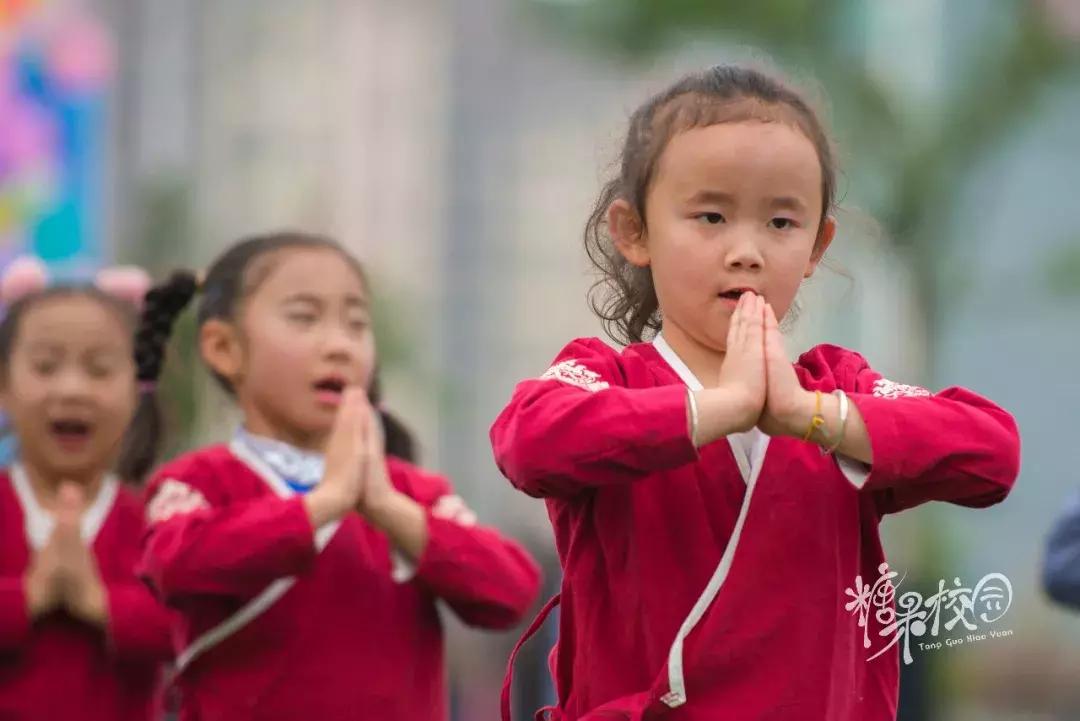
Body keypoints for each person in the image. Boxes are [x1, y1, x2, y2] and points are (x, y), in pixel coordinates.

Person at [491, 65, 1021, 721]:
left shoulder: (836, 393)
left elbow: (991, 452)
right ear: (633, 231)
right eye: (711, 216)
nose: (747, 251)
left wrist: (807, 414)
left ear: (818, 245)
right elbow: (527, 442)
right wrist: (719, 410)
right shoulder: (604, 379)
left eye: (781, 222)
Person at [134, 231, 542, 720]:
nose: (340, 345)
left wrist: (386, 507)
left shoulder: (407, 493)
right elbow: (175, 565)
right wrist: (325, 503)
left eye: (356, 324)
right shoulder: (198, 482)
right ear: (224, 348)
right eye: (304, 317)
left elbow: (511, 591)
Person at [0, 256, 173, 720]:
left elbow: (186, 628)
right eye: (45, 367)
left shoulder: (159, 520)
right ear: (3, 385)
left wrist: (96, 600)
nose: (72, 388)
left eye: (99, 370)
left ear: (138, 389)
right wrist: (31, 595)